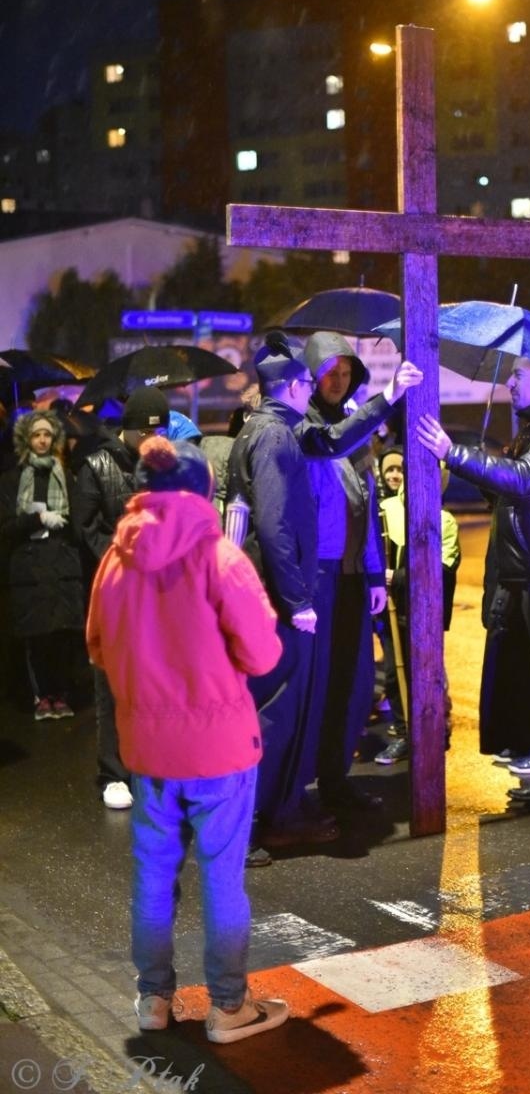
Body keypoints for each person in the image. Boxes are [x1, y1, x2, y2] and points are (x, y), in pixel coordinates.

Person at [86, 435, 287, 1043]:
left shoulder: (113, 561)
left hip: (147, 750)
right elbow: (262, 651)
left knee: (152, 875)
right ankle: (228, 1007)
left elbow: (97, 648)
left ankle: (153, 1001)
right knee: (222, 876)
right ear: (204, 491)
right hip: (219, 748)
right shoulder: (219, 557)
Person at [227, 332, 422, 861]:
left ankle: (283, 808)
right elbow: (274, 525)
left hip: (312, 583)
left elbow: (341, 461)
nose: (323, 384)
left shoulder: (287, 430)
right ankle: (252, 821)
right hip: (296, 587)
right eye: (313, 378)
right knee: (278, 706)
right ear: (294, 386)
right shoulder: (274, 435)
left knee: (307, 698)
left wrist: (387, 398)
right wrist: (297, 598)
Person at [418, 356, 530, 812]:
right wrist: (478, 469)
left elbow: (525, 479)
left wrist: (452, 452)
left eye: (519, 375)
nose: (511, 383)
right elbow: (515, 493)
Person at [73, 385, 170, 810]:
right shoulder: (96, 464)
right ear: (129, 431)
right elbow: (86, 527)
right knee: (111, 683)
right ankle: (114, 773)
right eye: (146, 432)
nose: (152, 439)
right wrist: (122, 561)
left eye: (159, 431)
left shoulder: (166, 466)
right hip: (113, 591)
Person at [302, 332, 388, 810]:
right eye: (329, 372)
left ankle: (335, 778)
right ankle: (303, 782)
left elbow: (367, 511)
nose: (338, 380)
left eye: (345, 373)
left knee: (352, 683)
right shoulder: (309, 428)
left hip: (354, 574)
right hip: (320, 573)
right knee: (318, 682)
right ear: (312, 373)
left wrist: (375, 574)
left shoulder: (358, 434)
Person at [374, 452, 461, 763]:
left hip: (424, 612)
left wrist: (395, 577)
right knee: (394, 675)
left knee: (427, 674)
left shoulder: (444, 520)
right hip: (391, 610)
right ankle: (404, 731)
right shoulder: (385, 511)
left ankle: (432, 731)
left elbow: (440, 570)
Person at [0, 410, 86, 719]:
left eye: (47, 434)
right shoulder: (12, 479)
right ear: (27, 438)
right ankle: (41, 696)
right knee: (36, 639)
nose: (42, 440)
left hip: (61, 568)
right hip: (29, 570)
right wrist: (36, 518)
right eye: (36, 434)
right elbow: (5, 526)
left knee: (62, 638)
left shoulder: (65, 475)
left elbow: (79, 522)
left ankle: (60, 694)